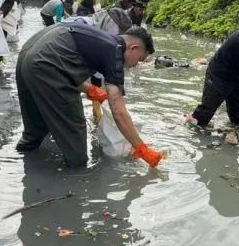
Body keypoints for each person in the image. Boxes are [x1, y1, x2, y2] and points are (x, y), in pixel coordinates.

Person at [15, 23, 162, 168]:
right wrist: (142, 149)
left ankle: (21, 161)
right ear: (133, 48)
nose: (135, 65)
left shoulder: (100, 38)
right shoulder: (115, 51)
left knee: (36, 128)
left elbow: (63, 65)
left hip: (27, 57)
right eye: (140, 59)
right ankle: (77, 182)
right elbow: (119, 112)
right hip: (45, 64)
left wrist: (90, 90)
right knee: (75, 139)